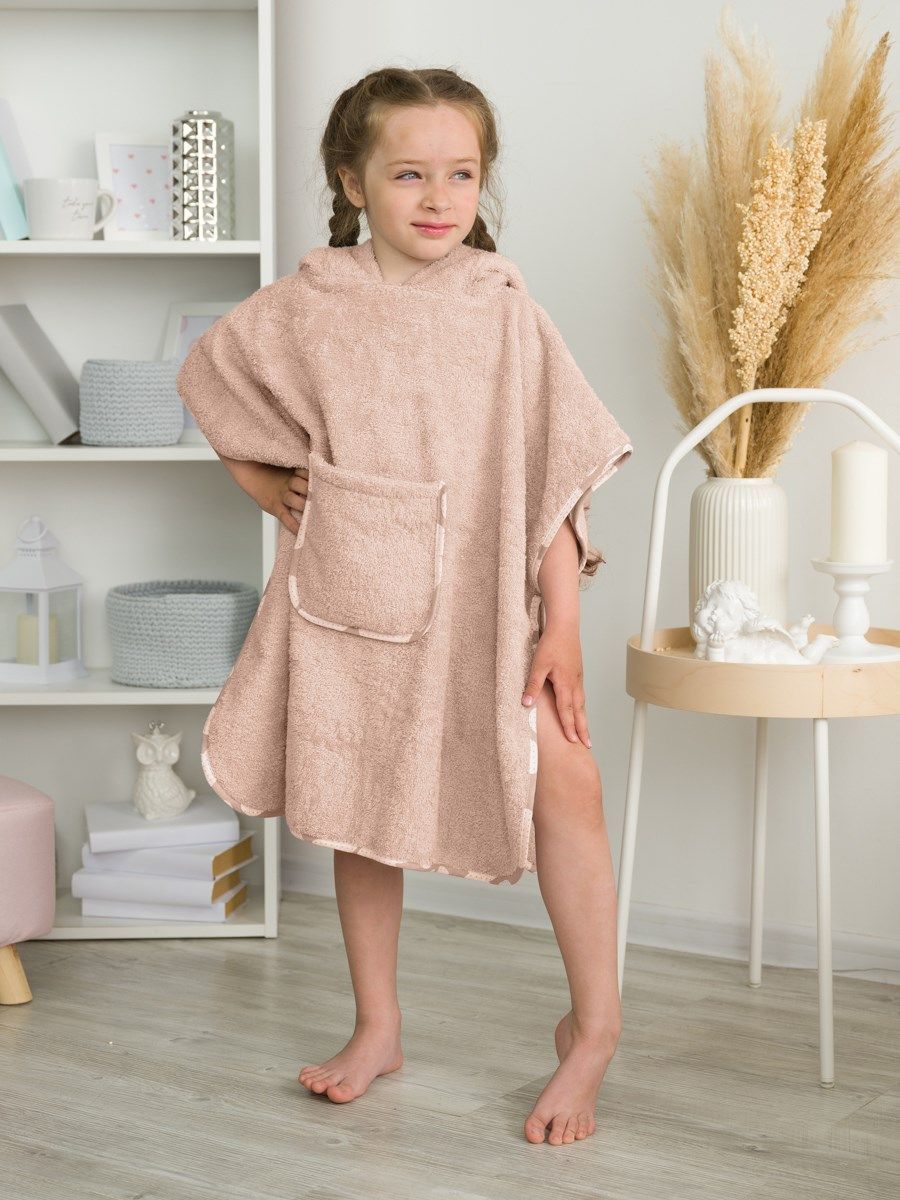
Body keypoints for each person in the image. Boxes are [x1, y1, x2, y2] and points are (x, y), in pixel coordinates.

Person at [176, 66, 633, 1147]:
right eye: (410, 174)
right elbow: (212, 380)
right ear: (353, 181)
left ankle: (596, 1029)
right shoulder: (310, 304)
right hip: (357, 597)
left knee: (566, 778)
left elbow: (550, 476)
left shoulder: (501, 307)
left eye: (462, 175)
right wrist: (269, 485)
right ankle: (376, 1025)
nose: (439, 198)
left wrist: (562, 626)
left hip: (492, 597)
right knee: (357, 800)